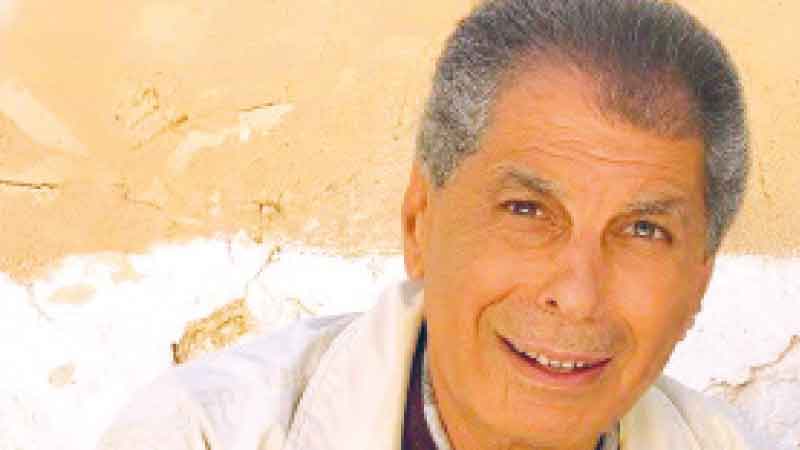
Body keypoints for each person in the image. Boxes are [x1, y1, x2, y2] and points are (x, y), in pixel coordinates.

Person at [97, 0, 757, 449]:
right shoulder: (199, 436)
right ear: (420, 225)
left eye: (643, 230)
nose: (578, 295)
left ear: (699, 281)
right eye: (527, 211)